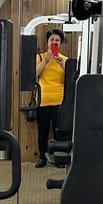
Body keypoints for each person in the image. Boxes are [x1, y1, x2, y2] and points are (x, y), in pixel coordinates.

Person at [34, 29, 67, 168]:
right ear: (47, 42)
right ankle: (42, 158)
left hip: (60, 101)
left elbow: (70, 77)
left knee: (58, 131)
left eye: (57, 40)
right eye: (52, 40)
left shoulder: (64, 59)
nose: (54, 42)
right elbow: (34, 75)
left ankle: (59, 158)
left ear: (60, 43)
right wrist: (45, 61)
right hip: (43, 100)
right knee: (43, 131)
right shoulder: (40, 57)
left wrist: (61, 63)